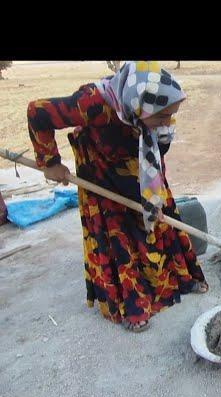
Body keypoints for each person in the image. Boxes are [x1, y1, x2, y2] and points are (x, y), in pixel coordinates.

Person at [27, 61, 208, 333]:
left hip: (138, 168)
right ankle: (133, 306)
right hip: (101, 172)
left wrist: (153, 196)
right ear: (139, 106)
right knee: (120, 237)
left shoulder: (152, 109)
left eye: (170, 115)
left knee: (161, 218)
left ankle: (180, 279)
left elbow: (158, 149)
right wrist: (50, 162)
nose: (167, 123)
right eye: (162, 117)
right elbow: (37, 112)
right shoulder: (93, 103)